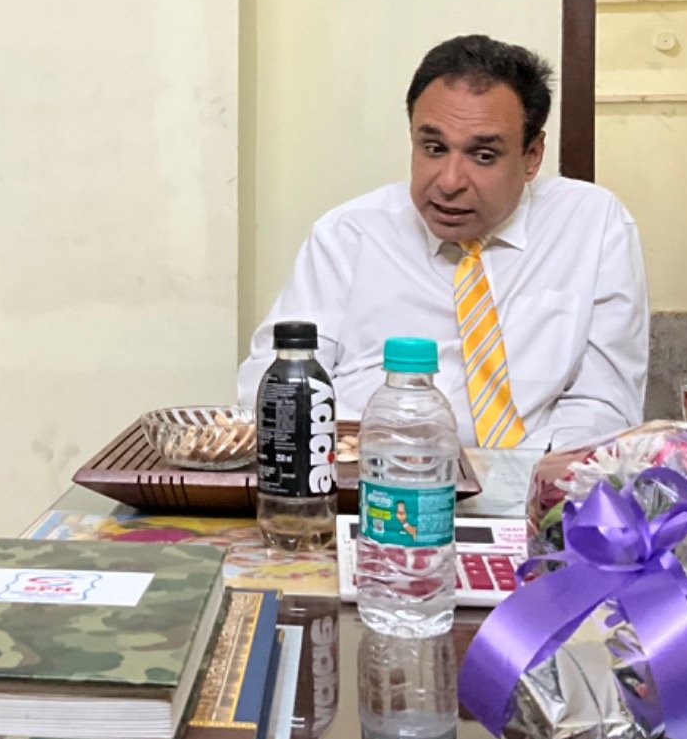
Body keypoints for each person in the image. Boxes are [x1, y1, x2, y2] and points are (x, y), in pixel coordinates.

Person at [238, 35, 648, 449]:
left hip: (532, 476)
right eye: (433, 148)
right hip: (367, 469)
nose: (449, 182)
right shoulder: (348, 235)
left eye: (483, 156)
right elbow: (274, 384)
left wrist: (519, 476)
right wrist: (377, 447)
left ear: (532, 156)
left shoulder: (591, 225)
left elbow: (605, 403)